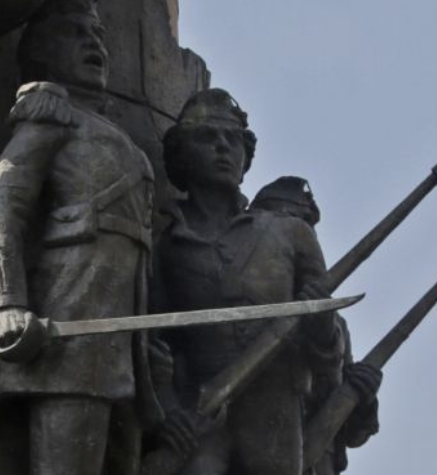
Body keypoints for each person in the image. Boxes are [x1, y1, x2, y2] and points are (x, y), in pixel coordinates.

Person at [0, 0, 163, 474]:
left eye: (98, 35)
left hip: (123, 346)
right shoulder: (48, 115)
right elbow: (1, 212)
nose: (93, 45)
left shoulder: (112, 132)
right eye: (75, 33)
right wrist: (7, 306)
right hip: (69, 338)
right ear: (40, 50)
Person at [151, 89, 342, 475]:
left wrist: (322, 322)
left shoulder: (291, 235)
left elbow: (328, 355)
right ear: (182, 153)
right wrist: (169, 411)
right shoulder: (165, 243)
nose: (223, 147)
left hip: (274, 411)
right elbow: (151, 341)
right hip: (198, 413)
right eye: (208, 137)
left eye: (233, 138)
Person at [250, 177, 382, 475]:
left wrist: (363, 396)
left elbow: (350, 434)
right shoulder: (238, 309)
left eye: (305, 229)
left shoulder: (334, 321)